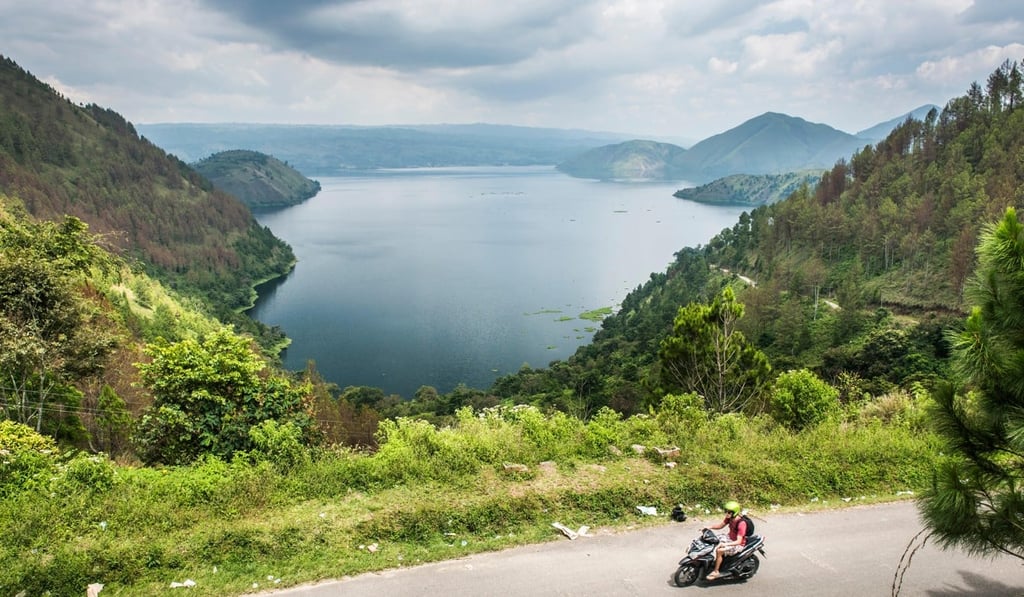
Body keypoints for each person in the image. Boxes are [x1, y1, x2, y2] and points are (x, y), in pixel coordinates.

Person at [703, 500, 747, 580]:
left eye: (729, 512)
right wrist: (709, 527)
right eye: (726, 511)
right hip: (729, 538)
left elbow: (739, 541)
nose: (727, 514)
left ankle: (716, 572)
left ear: (734, 512)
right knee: (711, 540)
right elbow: (720, 526)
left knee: (719, 550)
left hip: (737, 544)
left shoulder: (741, 524)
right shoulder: (729, 518)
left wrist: (725, 544)